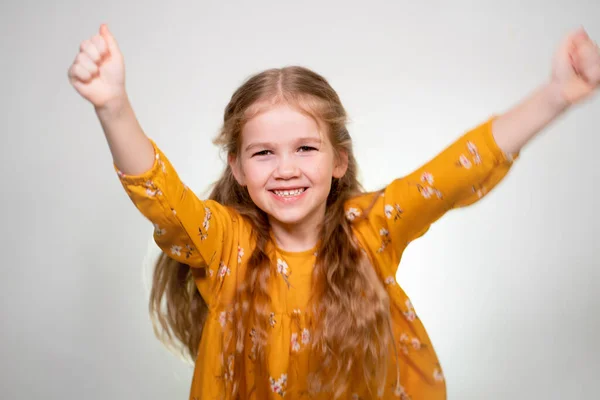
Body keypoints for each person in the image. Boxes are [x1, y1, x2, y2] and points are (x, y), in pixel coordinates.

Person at [68, 23, 600, 399]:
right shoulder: (226, 244)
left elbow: (453, 174)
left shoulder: (372, 229)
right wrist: (113, 107)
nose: (285, 169)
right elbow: (162, 197)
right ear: (237, 167)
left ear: (339, 159)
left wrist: (557, 94)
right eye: (262, 153)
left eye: (305, 148)